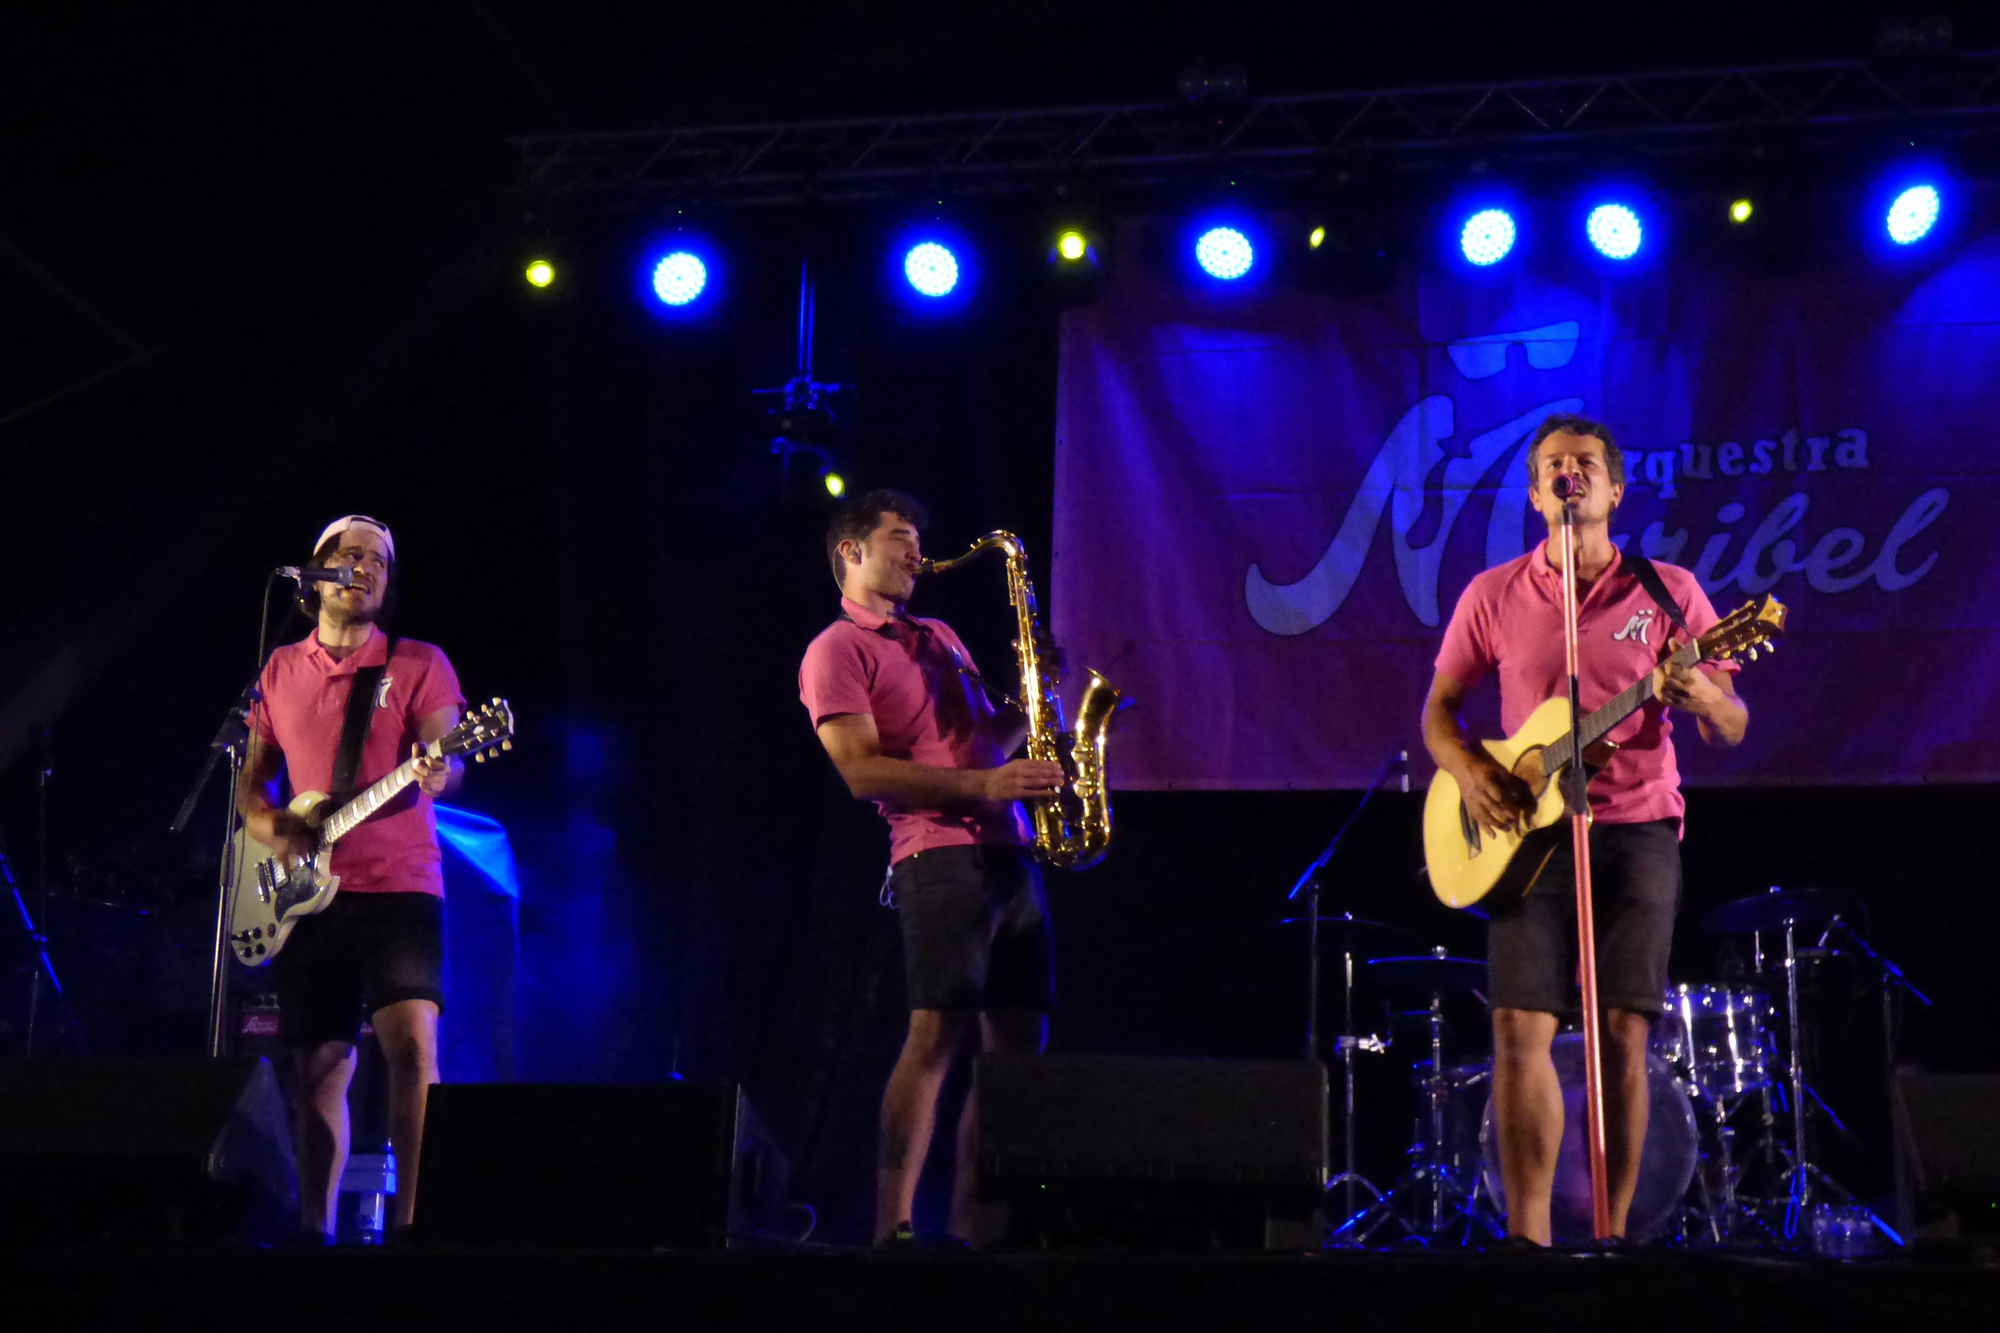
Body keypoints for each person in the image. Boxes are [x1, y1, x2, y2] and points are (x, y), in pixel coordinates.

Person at [1421, 415, 1749, 1246]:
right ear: (1536, 493)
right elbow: (1439, 712)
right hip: (1529, 839)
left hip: (1637, 827)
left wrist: (1702, 694)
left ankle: (1610, 1239)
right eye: (1555, 466)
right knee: (1516, 1027)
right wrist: (1470, 771)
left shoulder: (1669, 590)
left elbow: (1732, 723)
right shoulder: (1491, 593)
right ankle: (1526, 1243)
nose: (1572, 475)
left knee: (1622, 1030)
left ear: (1614, 487)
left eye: (1587, 464)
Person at [798, 490, 1065, 1248]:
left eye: (919, 539)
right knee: (937, 1033)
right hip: (934, 853)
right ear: (852, 550)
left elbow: (985, 746)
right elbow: (860, 771)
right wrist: (984, 786)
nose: (918, 553)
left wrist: (1034, 696)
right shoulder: (836, 649)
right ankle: (895, 1230)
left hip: (1008, 849)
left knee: (1019, 1045)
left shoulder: (941, 635)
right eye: (900, 539)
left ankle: (978, 1225)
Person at [239, 514, 466, 1241]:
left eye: (380, 559)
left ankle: (412, 1228)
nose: (365, 566)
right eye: (351, 554)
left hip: (402, 884)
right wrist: (274, 829)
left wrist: (441, 768)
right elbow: (252, 784)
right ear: (317, 572)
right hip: (308, 895)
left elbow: (450, 761)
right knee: (319, 1063)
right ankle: (314, 1231)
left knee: (411, 1047)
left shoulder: (417, 662)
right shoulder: (277, 670)